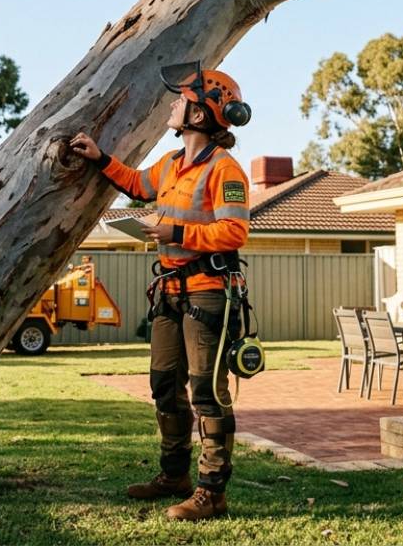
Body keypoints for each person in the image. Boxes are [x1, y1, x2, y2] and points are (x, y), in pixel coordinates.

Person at [70, 60, 253, 522]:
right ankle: (174, 477)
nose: (172, 105)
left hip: (209, 291)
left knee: (207, 392)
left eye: (181, 100)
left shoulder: (226, 170)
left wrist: (174, 232)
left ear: (199, 114)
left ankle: (212, 492)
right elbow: (137, 184)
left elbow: (234, 232)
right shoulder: (171, 164)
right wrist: (99, 157)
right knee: (165, 385)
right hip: (169, 291)